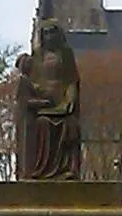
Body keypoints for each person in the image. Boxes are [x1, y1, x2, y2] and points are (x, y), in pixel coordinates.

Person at [16, 20, 82, 180]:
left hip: (62, 101)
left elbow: (72, 80)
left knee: (69, 125)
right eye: (46, 33)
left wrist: (70, 99)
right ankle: (42, 169)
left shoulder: (66, 54)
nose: (49, 36)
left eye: (52, 32)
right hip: (45, 105)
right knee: (43, 123)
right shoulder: (38, 55)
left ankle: (69, 168)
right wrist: (40, 97)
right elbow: (32, 82)